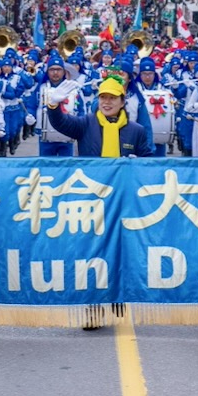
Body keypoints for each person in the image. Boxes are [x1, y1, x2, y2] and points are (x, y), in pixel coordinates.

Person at [44, 75, 152, 330]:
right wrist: (53, 106)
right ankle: (92, 308)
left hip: (123, 201)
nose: (106, 102)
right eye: (103, 97)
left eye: (112, 98)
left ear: (122, 101)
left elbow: (149, 161)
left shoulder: (135, 130)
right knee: (91, 254)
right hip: (91, 200)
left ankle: (118, 301)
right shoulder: (86, 124)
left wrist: (140, 163)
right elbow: (61, 123)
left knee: (121, 252)